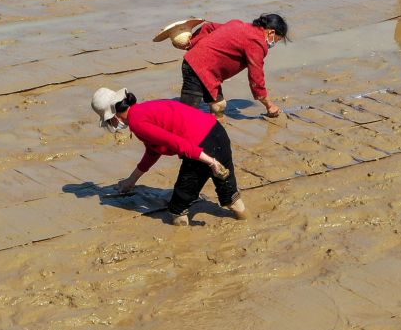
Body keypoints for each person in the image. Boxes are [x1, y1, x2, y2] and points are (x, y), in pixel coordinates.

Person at [93, 86, 246, 225]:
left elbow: (178, 143)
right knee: (231, 197)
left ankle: (182, 243)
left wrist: (211, 162)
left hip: (201, 148)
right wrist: (131, 180)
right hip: (217, 133)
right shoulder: (144, 109)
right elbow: (153, 151)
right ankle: (247, 221)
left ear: (114, 116)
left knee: (178, 209)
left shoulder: (137, 123)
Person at [177, 14, 287, 117]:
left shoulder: (238, 24)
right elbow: (256, 78)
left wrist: (191, 43)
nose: (274, 43)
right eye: (277, 40)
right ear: (271, 33)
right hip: (196, 67)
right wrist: (269, 105)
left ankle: (213, 126)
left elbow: (208, 27)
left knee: (219, 106)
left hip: (207, 72)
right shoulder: (257, 43)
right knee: (187, 114)